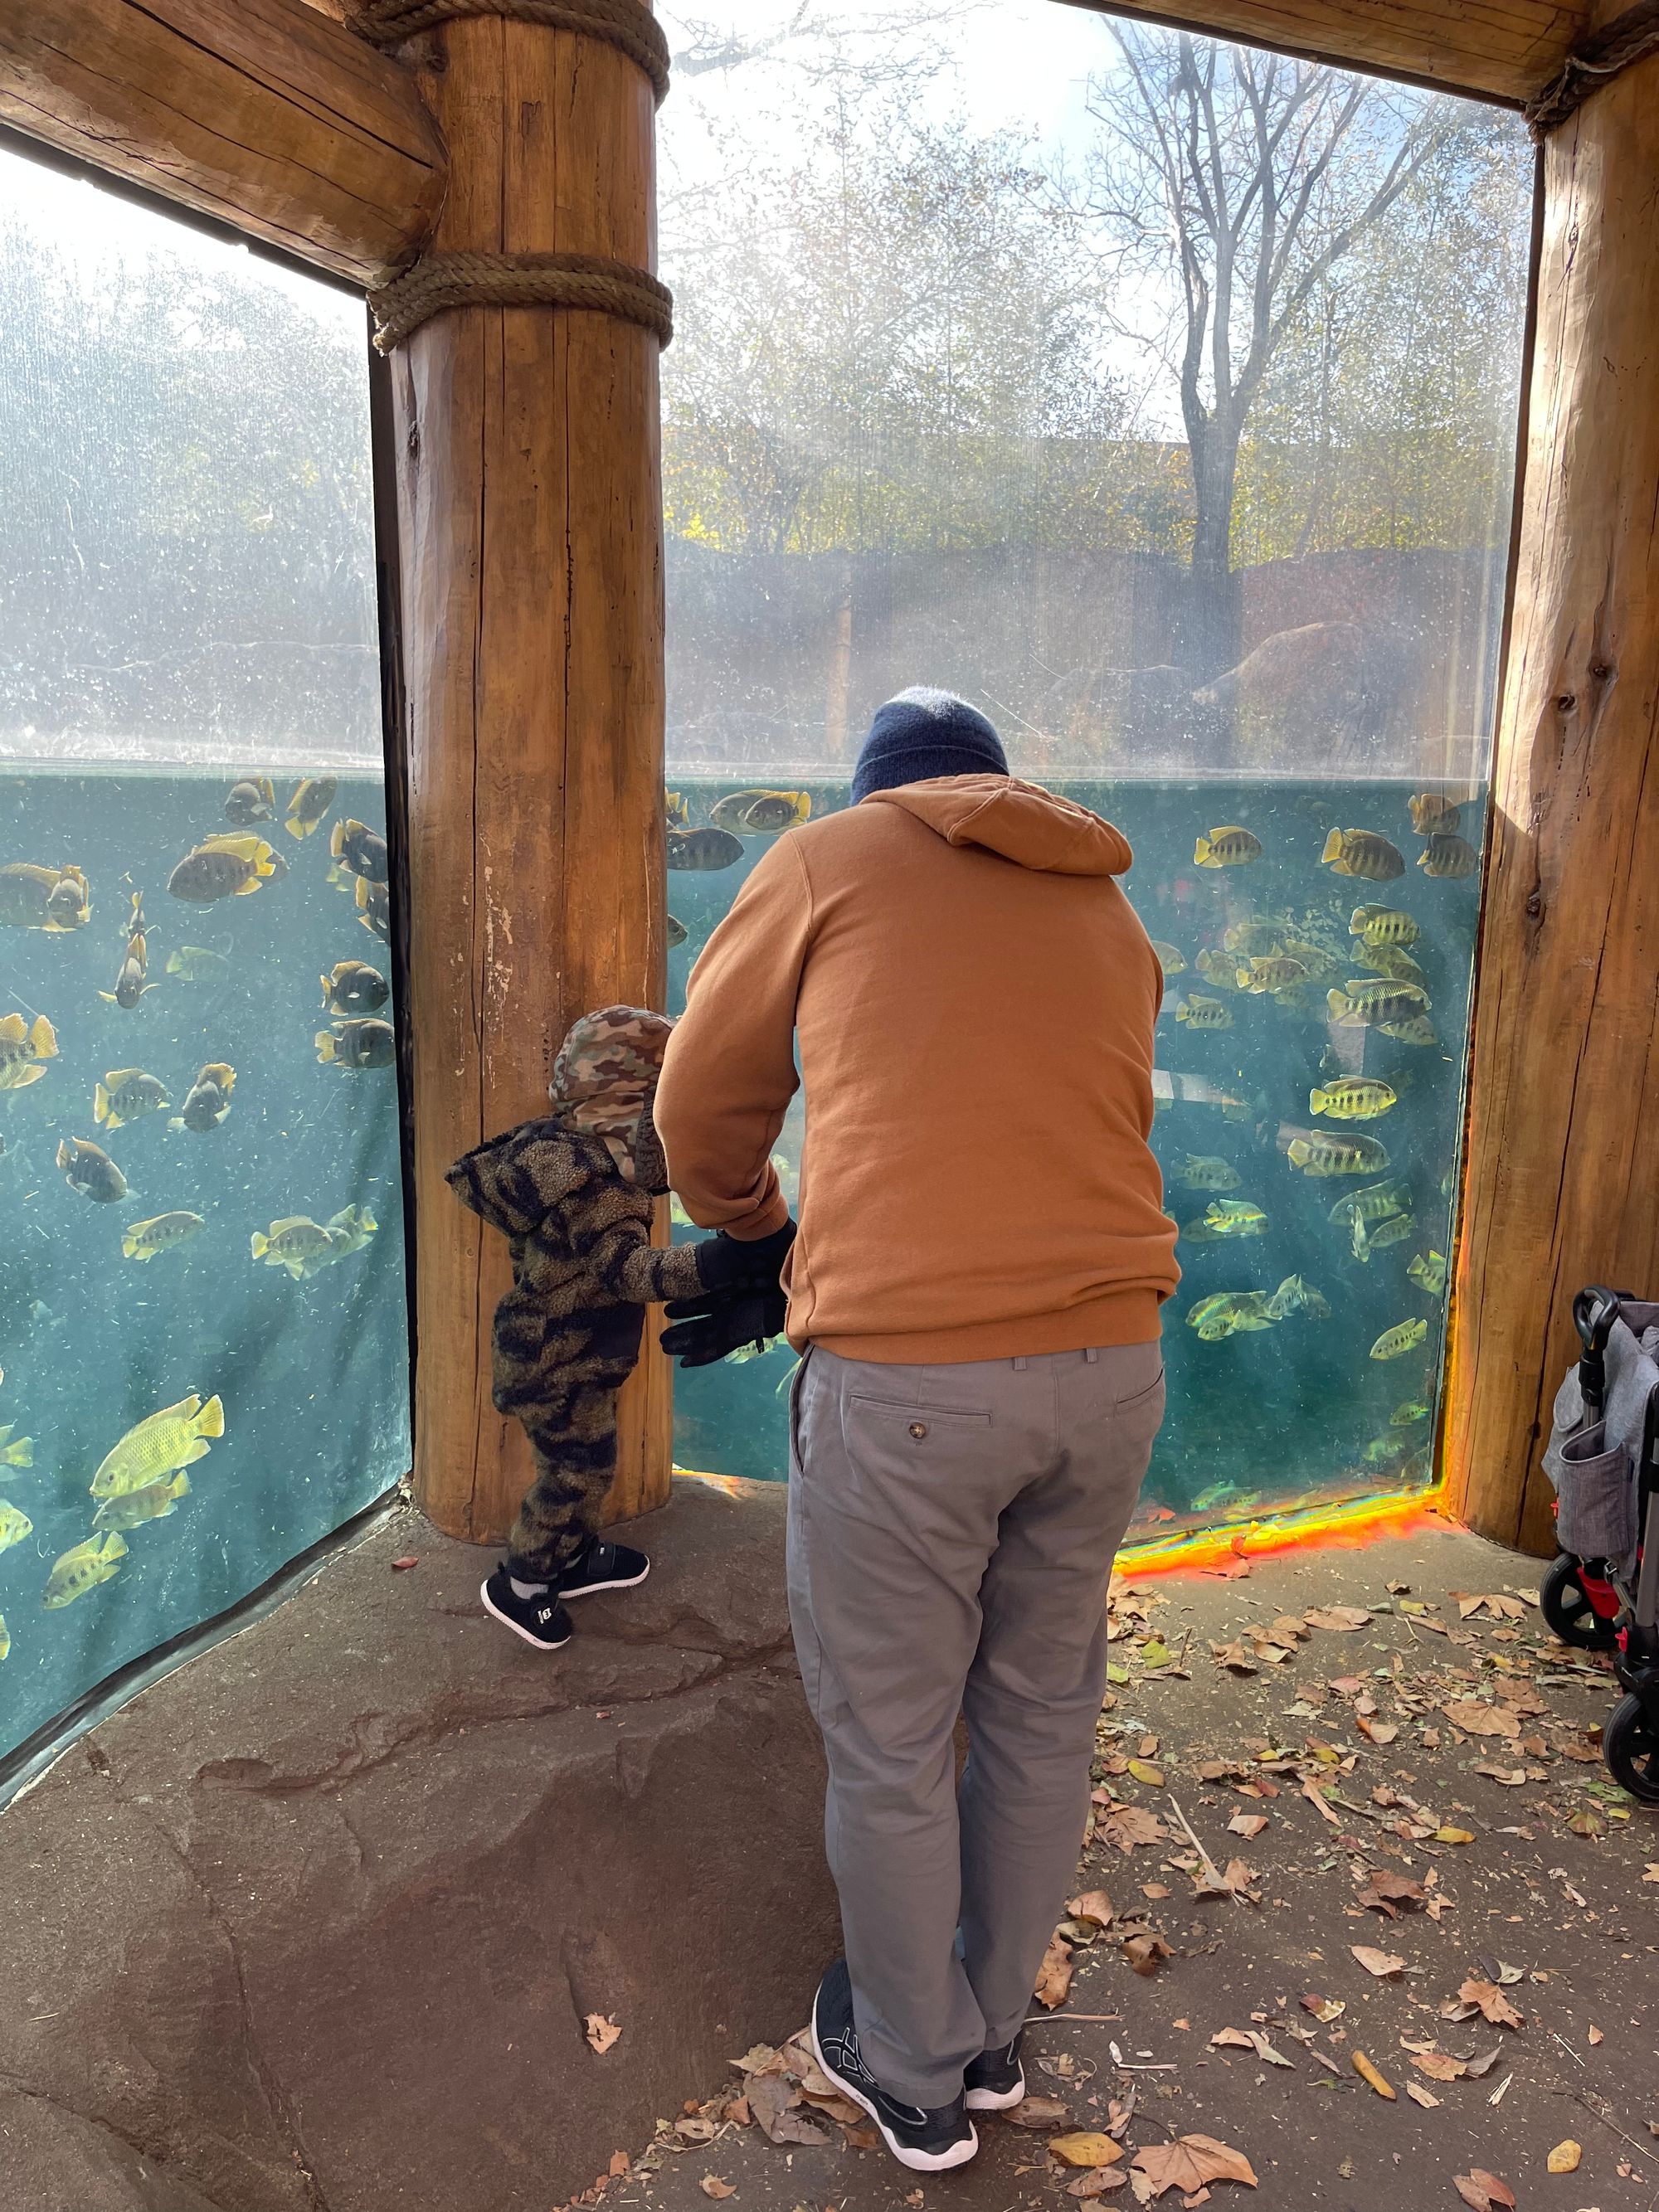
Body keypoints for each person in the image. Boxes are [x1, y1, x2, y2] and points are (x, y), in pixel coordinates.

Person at [654, 688, 1180, 2174]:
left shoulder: (829, 861)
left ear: (877, 788)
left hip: (912, 1384)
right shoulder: (1109, 904)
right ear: (1000, 788)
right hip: (1115, 1364)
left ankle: (911, 2071)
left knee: (891, 1741)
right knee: (1041, 1705)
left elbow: (700, 1104)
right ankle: (990, 2035)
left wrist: (753, 1224)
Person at [446, 1005, 793, 1650]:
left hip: (562, 1353)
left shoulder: (569, 1163)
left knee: (587, 1465)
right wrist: (722, 1261)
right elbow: (628, 1272)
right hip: (556, 1361)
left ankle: (571, 1557)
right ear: (644, 1109)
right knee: (574, 1473)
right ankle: (523, 1582)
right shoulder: (597, 1187)